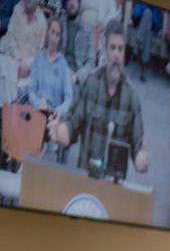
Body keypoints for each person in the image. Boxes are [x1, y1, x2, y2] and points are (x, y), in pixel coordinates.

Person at [49, 18, 149, 178]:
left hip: (112, 187)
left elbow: (138, 143)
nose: (116, 54)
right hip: (84, 178)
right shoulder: (90, 85)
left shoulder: (132, 97)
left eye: (120, 49)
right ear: (105, 51)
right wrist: (62, 131)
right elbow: (72, 123)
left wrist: (140, 157)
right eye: (112, 48)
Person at [29, 18, 73, 116]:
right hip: (37, 110)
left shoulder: (62, 63)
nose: (54, 38)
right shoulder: (38, 57)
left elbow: (69, 97)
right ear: (47, 32)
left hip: (53, 114)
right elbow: (31, 90)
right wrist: (37, 103)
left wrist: (58, 110)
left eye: (57, 35)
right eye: (52, 32)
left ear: (60, 38)